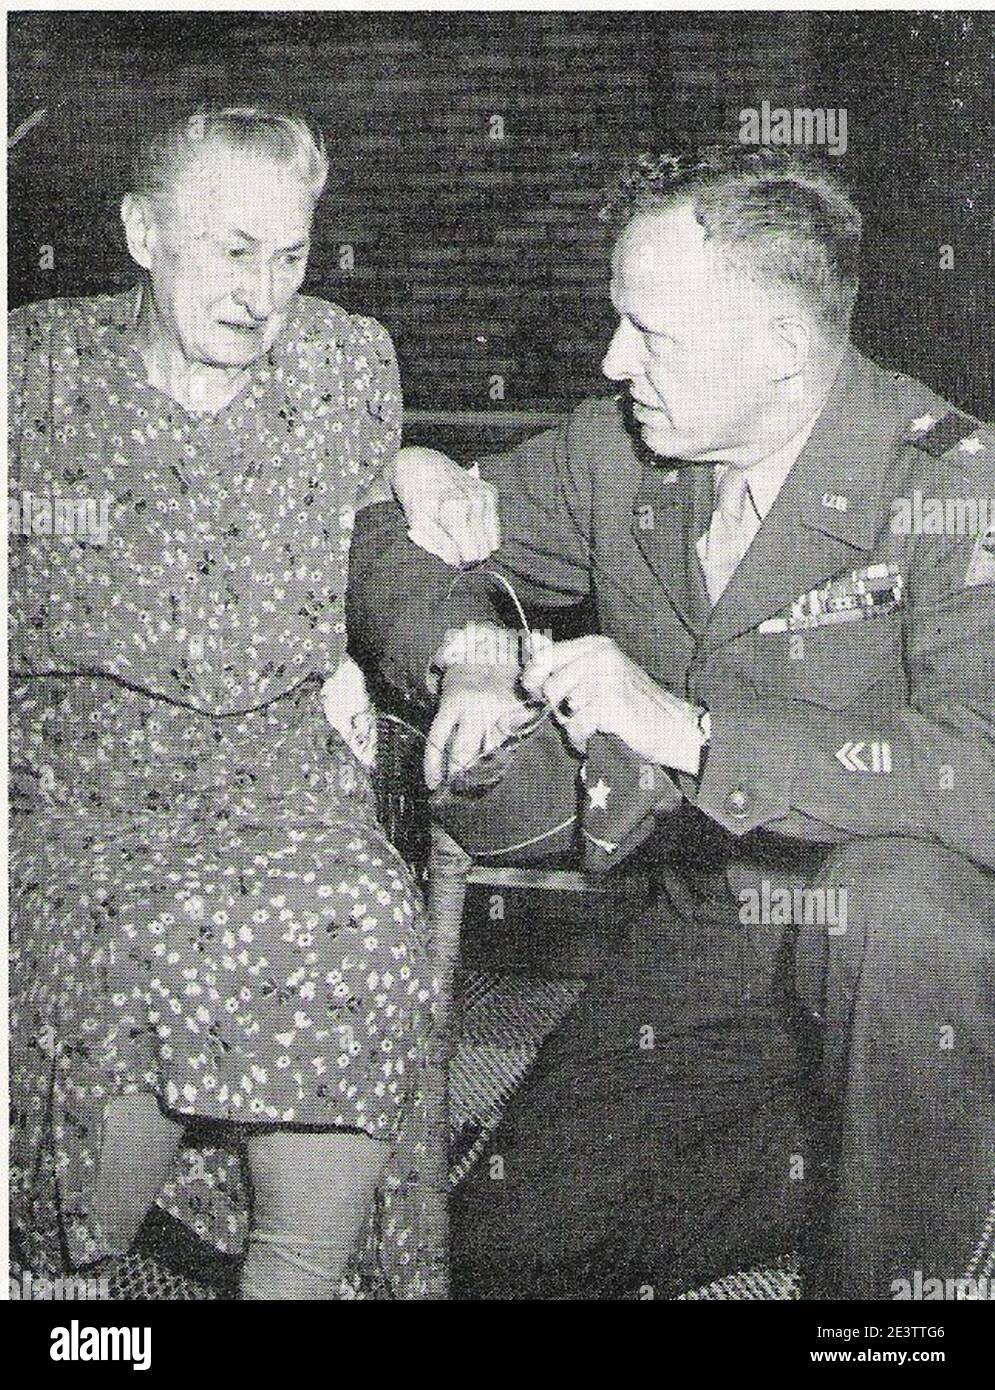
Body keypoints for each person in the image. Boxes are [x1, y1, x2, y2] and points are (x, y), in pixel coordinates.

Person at [348, 145, 995, 1299]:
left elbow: (982, 772)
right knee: (502, 1259)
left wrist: (689, 730)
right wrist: (474, 654)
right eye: (616, 322)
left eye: (651, 334)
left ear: (782, 351)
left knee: (898, 905)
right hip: (716, 920)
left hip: (917, 953)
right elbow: (395, 542)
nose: (611, 361)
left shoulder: (949, 487)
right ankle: (866, 1139)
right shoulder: (626, 449)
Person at [8, 104, 497, 1299]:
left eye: (288, 256)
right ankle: (74, 1282)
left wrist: (451, 602)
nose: (260, 294)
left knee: (359, 919)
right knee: (105, 952)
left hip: (277, 769)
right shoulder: (32, 372)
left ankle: (294, 1282)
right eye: (231, 251)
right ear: (139, 232)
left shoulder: (342, 362)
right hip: (72, 779)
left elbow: (388, 543)